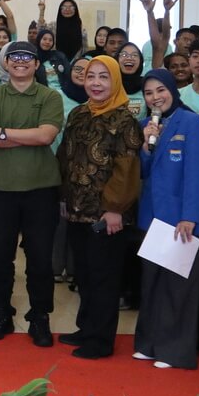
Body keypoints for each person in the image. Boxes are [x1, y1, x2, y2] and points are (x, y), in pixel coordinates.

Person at [0, 40, 64, 346]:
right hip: (0, 188)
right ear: (5, 64)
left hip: (41, 188)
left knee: (40, 259)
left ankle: (40, 316)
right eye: (15, 57)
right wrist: (22, 136)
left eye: (28, 57)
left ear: (37, 64)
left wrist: (3, 133)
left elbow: (46, 135)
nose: (21, 61)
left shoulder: (50, 96)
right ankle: (1, 313)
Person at [55, 56, 142, 360]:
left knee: (104, 278)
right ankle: (86, 328)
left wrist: (115, 209)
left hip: (107, 215)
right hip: (78, 210)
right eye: (91, 76)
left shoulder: (124, 120)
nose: (96, 83)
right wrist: (64, 198)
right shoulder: (79, 114)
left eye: (104, 77)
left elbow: (127, 169)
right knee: (86, 276)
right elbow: (66, 158)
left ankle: (101, 340)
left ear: (115, 81)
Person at [133, 68, 199, 370]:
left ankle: (174, 351)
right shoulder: (146, 125)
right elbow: (142, 172)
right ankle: (149, 343)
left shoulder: (193, 123)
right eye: (149, 93)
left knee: (178, 289)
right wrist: (145, 146)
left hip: (183, 220)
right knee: (151, 285)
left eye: (160, 90)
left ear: (172, 90)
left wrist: (190, 216)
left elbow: (195, 174)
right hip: (153, 218)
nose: (155, 97)